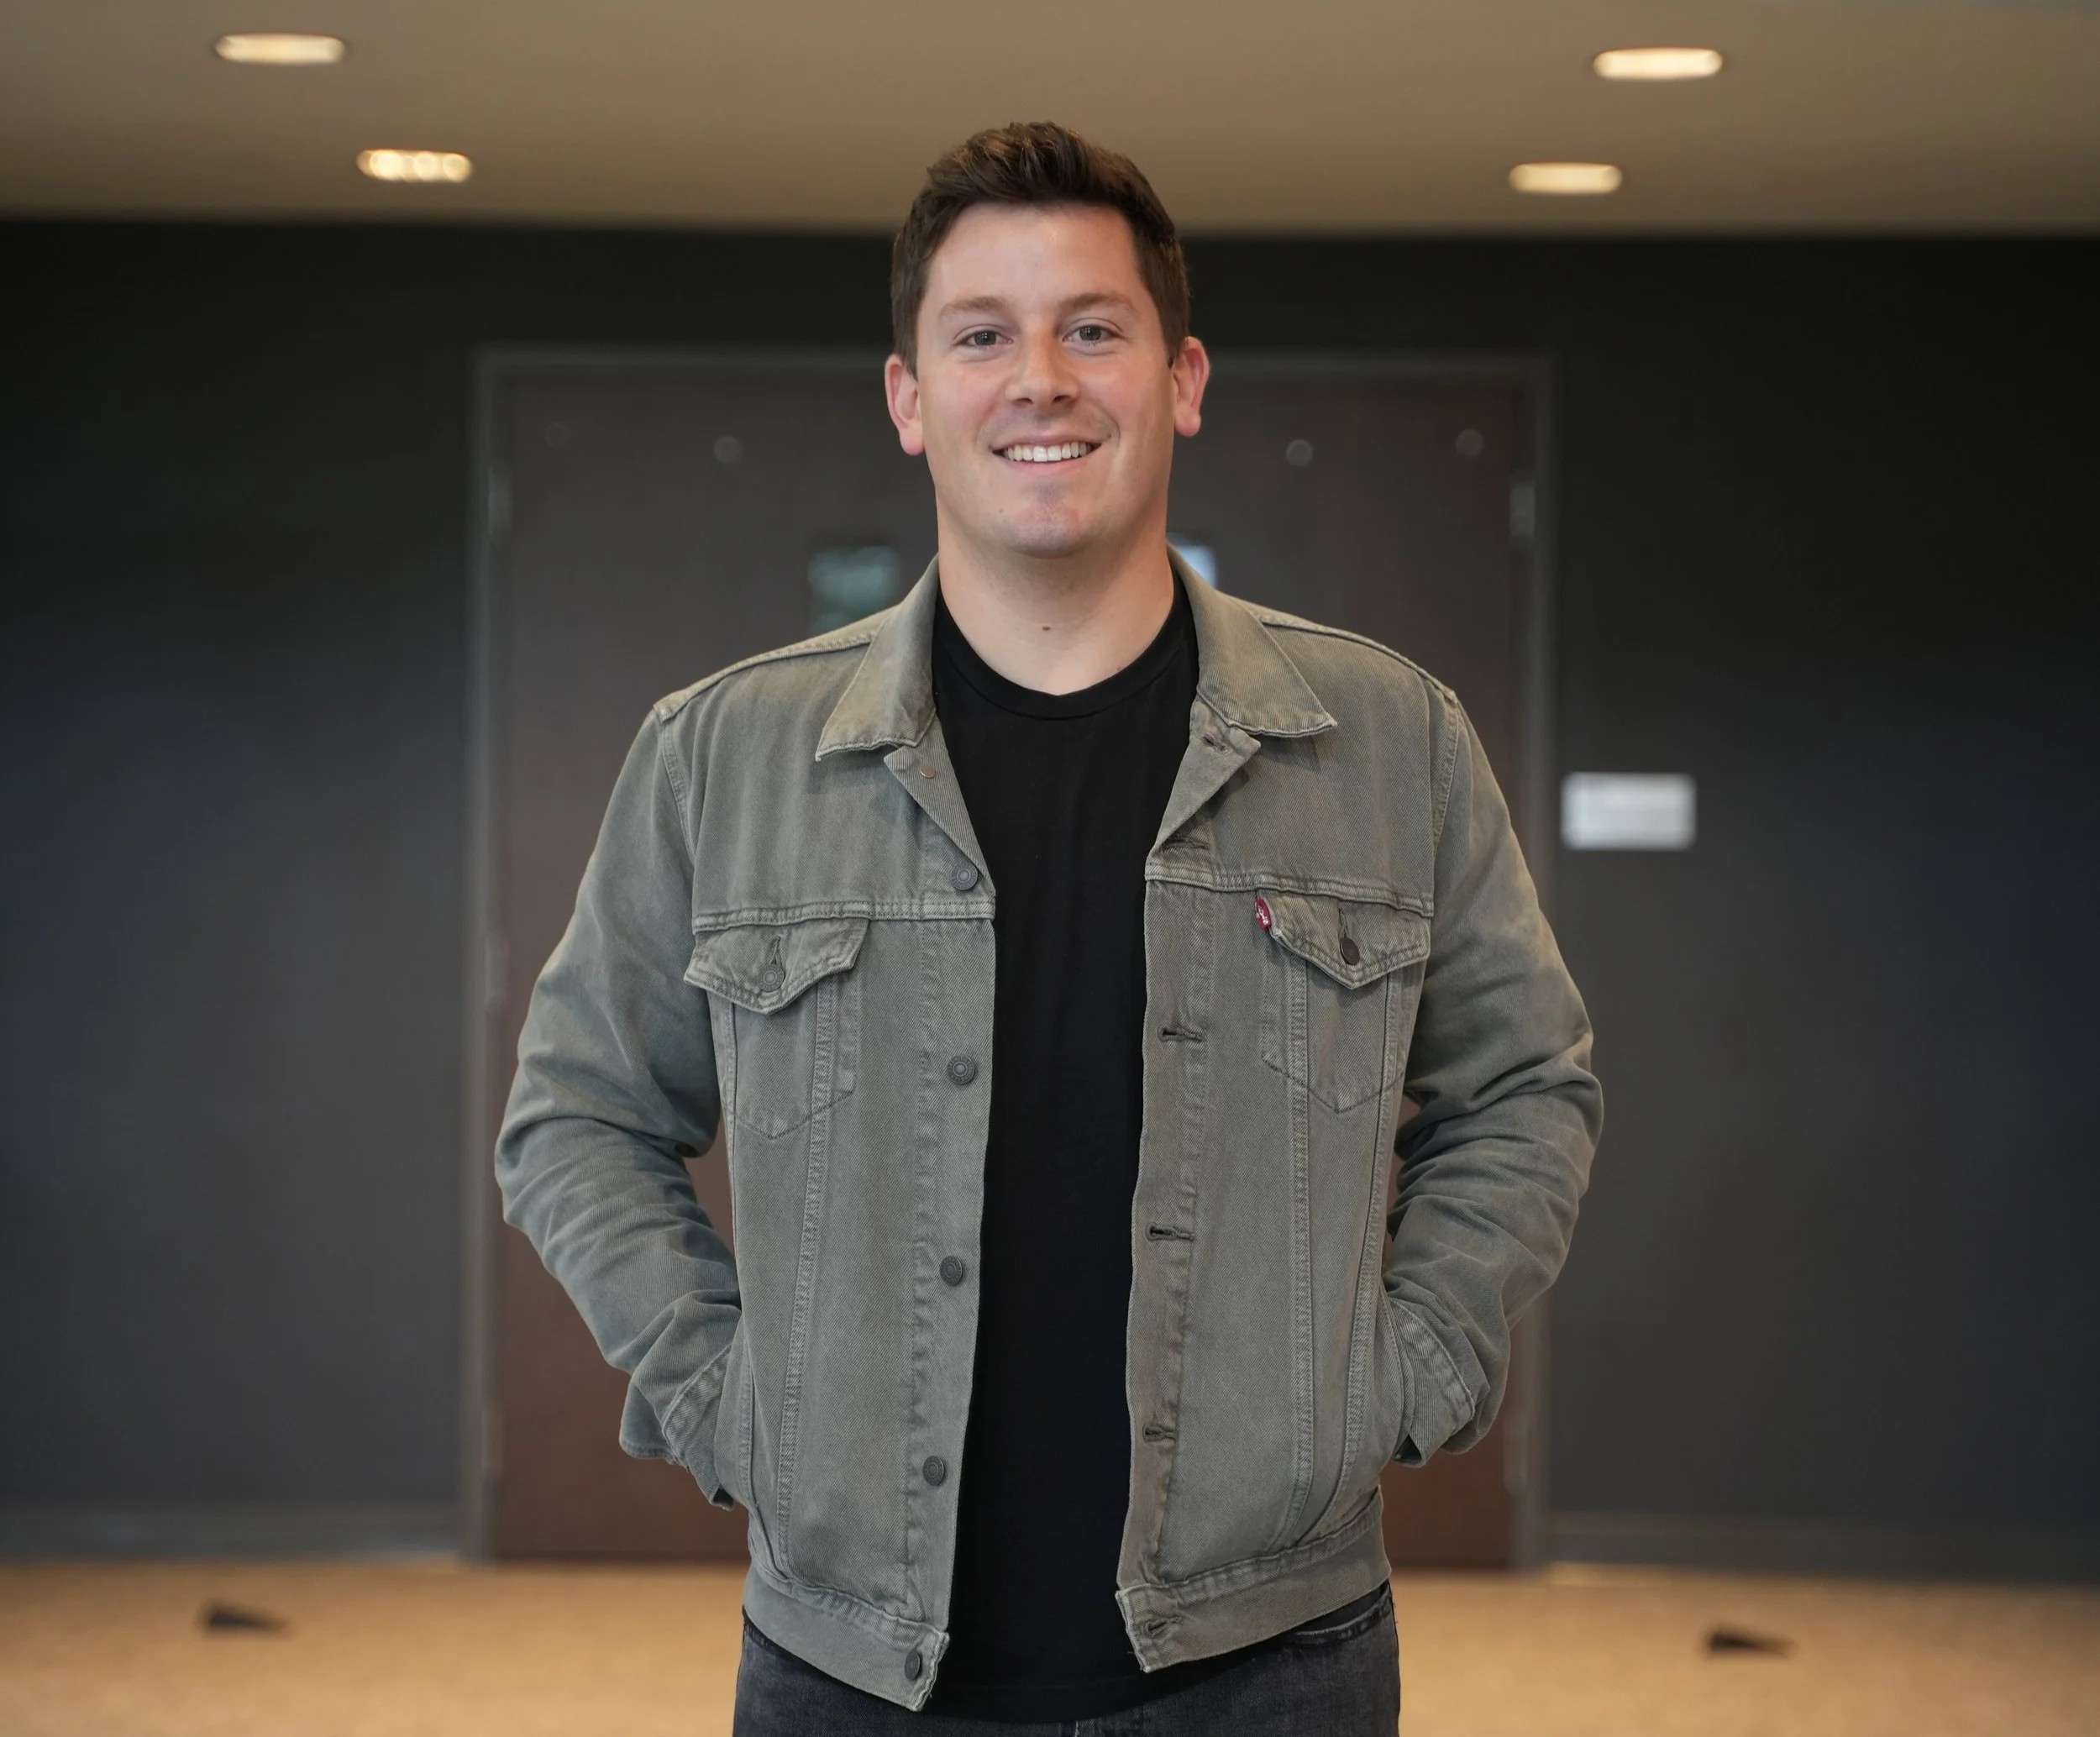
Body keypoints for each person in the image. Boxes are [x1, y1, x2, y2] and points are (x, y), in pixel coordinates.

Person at [496, 120, 1600, 1734]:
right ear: (908, 398)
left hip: (1273, 1661)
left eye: (1093, 328)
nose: (1041, 380)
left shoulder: (1387, 741)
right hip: (850, 1669)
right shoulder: (723, 755)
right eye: (981, 336)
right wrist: (727, 1399)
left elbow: (1527, 1091)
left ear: (1183, 379)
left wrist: (1408, 1367)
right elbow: (576, 1119)